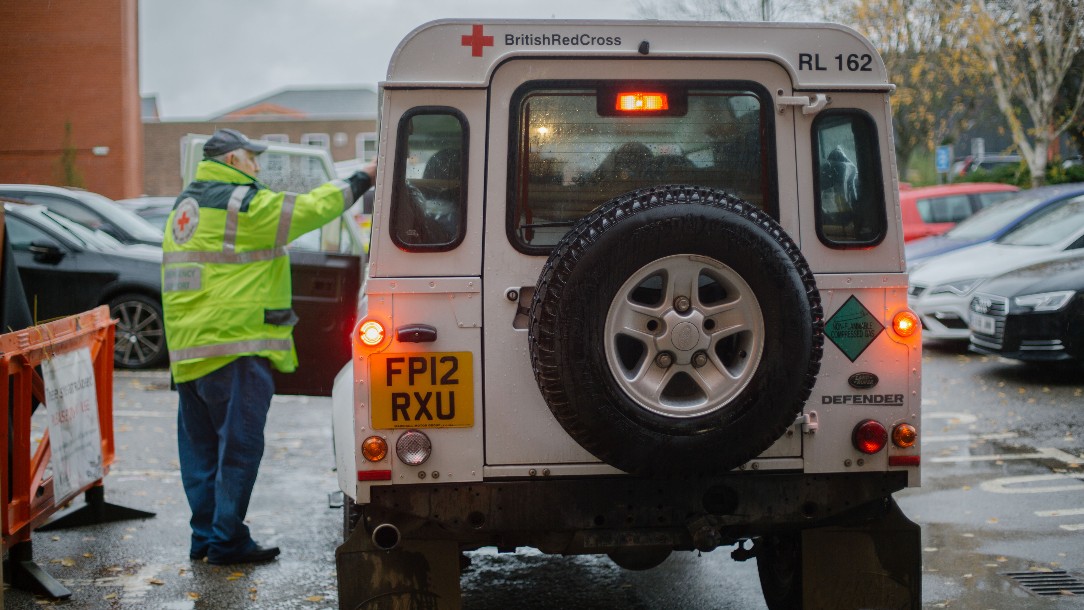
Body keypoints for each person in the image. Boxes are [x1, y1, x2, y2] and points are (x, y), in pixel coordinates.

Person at [161, 128, 375, 565]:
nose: (257, 167)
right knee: (238, 449)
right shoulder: (239, 202)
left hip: (189, 349)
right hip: (234, 346)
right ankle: (226, 540)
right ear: (233, 159)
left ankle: (205, 537)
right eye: (251, 159)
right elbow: (308, 211)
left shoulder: (185, 205)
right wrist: (362, 177)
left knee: (201, 453)